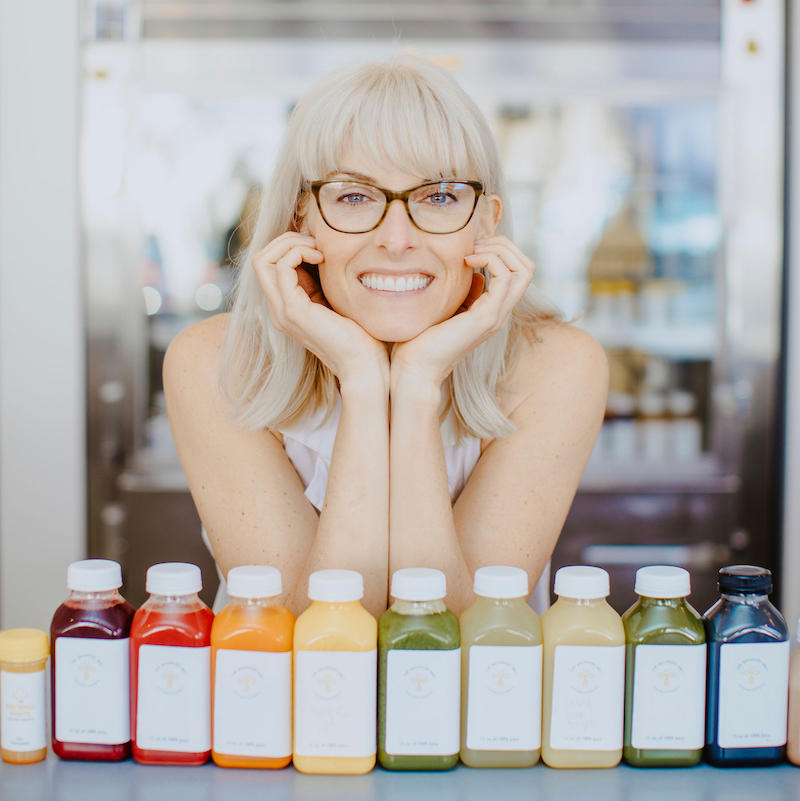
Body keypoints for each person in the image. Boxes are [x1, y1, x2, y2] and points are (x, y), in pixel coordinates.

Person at [163, 57, 608, 620]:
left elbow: (465, 637)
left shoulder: (558, 366)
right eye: (354, 197)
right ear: (302, 220)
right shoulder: (213, 363)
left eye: (440, 197)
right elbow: (312, 640)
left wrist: (418, 385)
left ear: (486, 222)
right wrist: (363, 382)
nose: (396, 240)